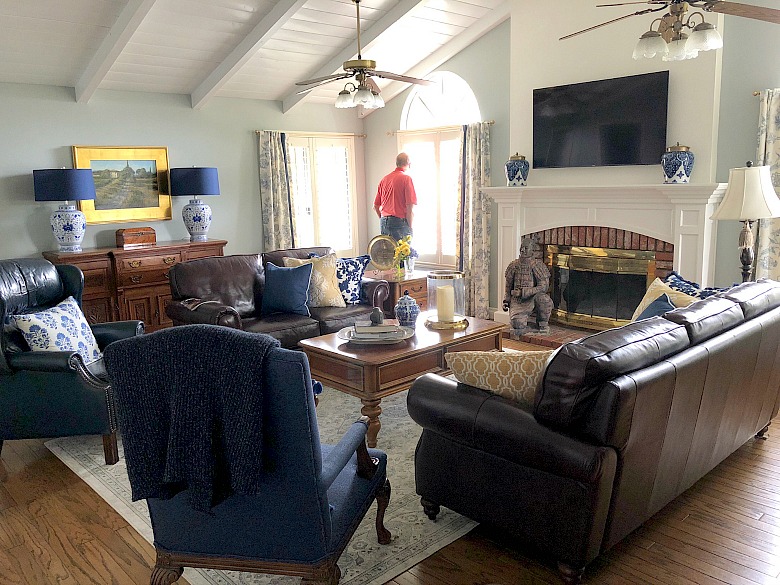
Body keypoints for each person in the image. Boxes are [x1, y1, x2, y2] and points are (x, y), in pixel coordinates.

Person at [503, 236, 553, 335]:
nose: (522, 250)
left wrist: (524, 292)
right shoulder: (513, 265)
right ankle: (521, 320)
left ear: (532, 250)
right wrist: (506, 300)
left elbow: (544, 286)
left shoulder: (537, 265)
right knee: (517, 324)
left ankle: (542, 324)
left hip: (534, 297)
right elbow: (508, 286)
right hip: (518, 301)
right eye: (521, 247)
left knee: (545, 300)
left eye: (526, 248)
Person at [374, 152, 417, 242]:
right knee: (402, 253)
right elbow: (409, 207)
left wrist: (384, 219)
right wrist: (410, 228)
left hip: (384, 222)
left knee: (387, 254)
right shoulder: (406, 179)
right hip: (399, 222)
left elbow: (376, 206)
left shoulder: (384, 179)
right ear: (408, 163)